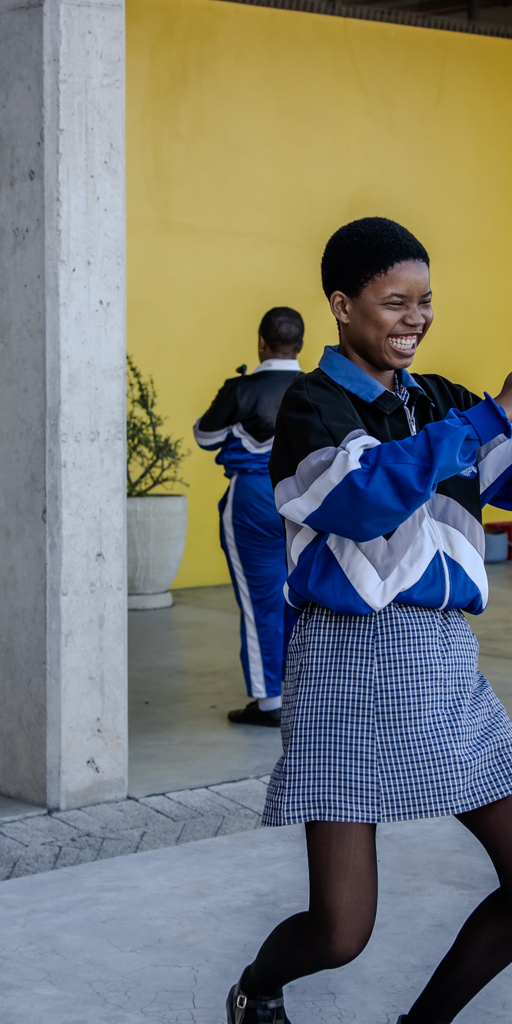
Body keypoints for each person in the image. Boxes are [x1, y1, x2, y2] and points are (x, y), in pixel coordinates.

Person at [226, 217, 512, 1024]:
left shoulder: (442, 402)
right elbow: (361, 499)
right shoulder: (309, 409)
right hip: (347, 669)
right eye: (395, 301)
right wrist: (498, 410)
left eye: (425, 300)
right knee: (340, 929)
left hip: (443, 666)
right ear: (341, 305)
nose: (414, 317)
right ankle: (260, 989)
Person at [193, 307, 306, 728]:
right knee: (303, 596)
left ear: (262, 342)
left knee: (260, 600)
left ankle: (269, 703)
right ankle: (303, 692)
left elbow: (205, 435)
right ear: (300, 345)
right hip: (307, 500)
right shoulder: (316, 386)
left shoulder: (241, 388)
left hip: (253, 499)